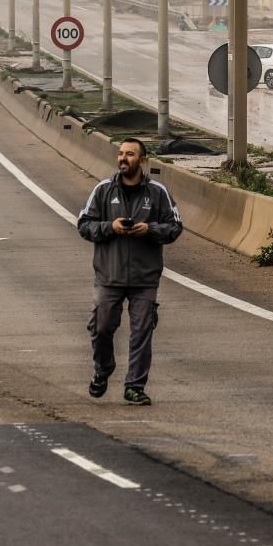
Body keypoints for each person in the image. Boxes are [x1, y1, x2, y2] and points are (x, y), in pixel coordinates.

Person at [76, 139, 183, 405]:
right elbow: (84, 224)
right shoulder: (103, 190)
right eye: (121, 153)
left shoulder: (158, 192)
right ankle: (103, 370)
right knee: (101, 329)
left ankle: (134, 386)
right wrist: (110, 227)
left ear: (142, 160)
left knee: (141, 333)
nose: (123, 158)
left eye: (130, 154)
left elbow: (175, 227)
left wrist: (150, 230)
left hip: (144, 278)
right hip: (108, 276)